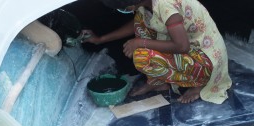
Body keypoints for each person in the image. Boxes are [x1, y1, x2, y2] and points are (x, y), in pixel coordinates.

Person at [82, 0, 232, 104]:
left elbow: (182, 46)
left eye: (121, 7)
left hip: (206, 60)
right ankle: (157, 82)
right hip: (191, 50)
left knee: (142, 57)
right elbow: (136, 24)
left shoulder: (166, 5)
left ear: (131, 4)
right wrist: (100, 39)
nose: (121, 10)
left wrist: (141, 43)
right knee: (141, 21)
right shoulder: (145, 4)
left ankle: (199, 84)